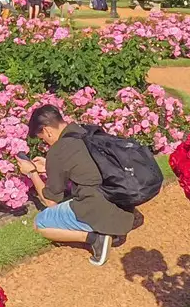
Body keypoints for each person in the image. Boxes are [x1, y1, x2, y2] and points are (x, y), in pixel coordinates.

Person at [16, 103, 127, 265]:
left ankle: (95, 237)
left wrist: (32, 173)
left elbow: (50, 201)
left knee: (40, 223)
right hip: (118, 201)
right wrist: (49, 166)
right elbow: (82, 165)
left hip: (95, 207)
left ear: (47, 130)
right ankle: (110, 228)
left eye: (43, 138)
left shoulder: (58, 150)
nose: (46, 142)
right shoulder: (84, 131)